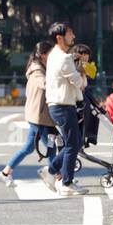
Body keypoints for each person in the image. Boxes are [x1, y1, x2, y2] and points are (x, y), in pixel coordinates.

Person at [0, 40, 56, 186]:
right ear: (43, 55)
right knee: (51, 146)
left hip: (38, 116)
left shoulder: (41, 69)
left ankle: (5, 172)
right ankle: (55, 175)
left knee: (30, 147)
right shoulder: (37, 72)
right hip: (39, 117)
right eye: (51, 53)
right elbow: (46, 84)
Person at [41, 22, 88, 195]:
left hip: (57, 105)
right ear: (59, 38)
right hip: (63, 106)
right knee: (73, 144)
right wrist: (82, 69)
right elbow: (80, 83)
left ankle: (51, 171)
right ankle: (66, 182)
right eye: (70, 33)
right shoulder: (64, 58)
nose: (73, 36)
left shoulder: (54, 54)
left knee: (74, 143)